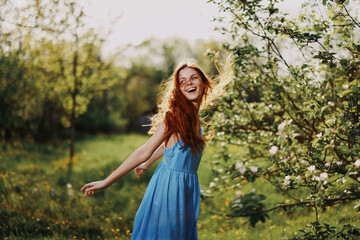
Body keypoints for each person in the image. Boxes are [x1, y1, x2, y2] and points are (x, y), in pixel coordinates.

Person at [81, 60, 232, 240]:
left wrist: (148, 162)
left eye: (193, 78)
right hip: (170, 187)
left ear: (203, 83)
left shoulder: (195, 117)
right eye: (182, 81)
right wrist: (107, 181)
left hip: (187, 187)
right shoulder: (174, 117)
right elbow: (144, 150)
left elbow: (173, 146)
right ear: (178, 89)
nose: (188, 83)